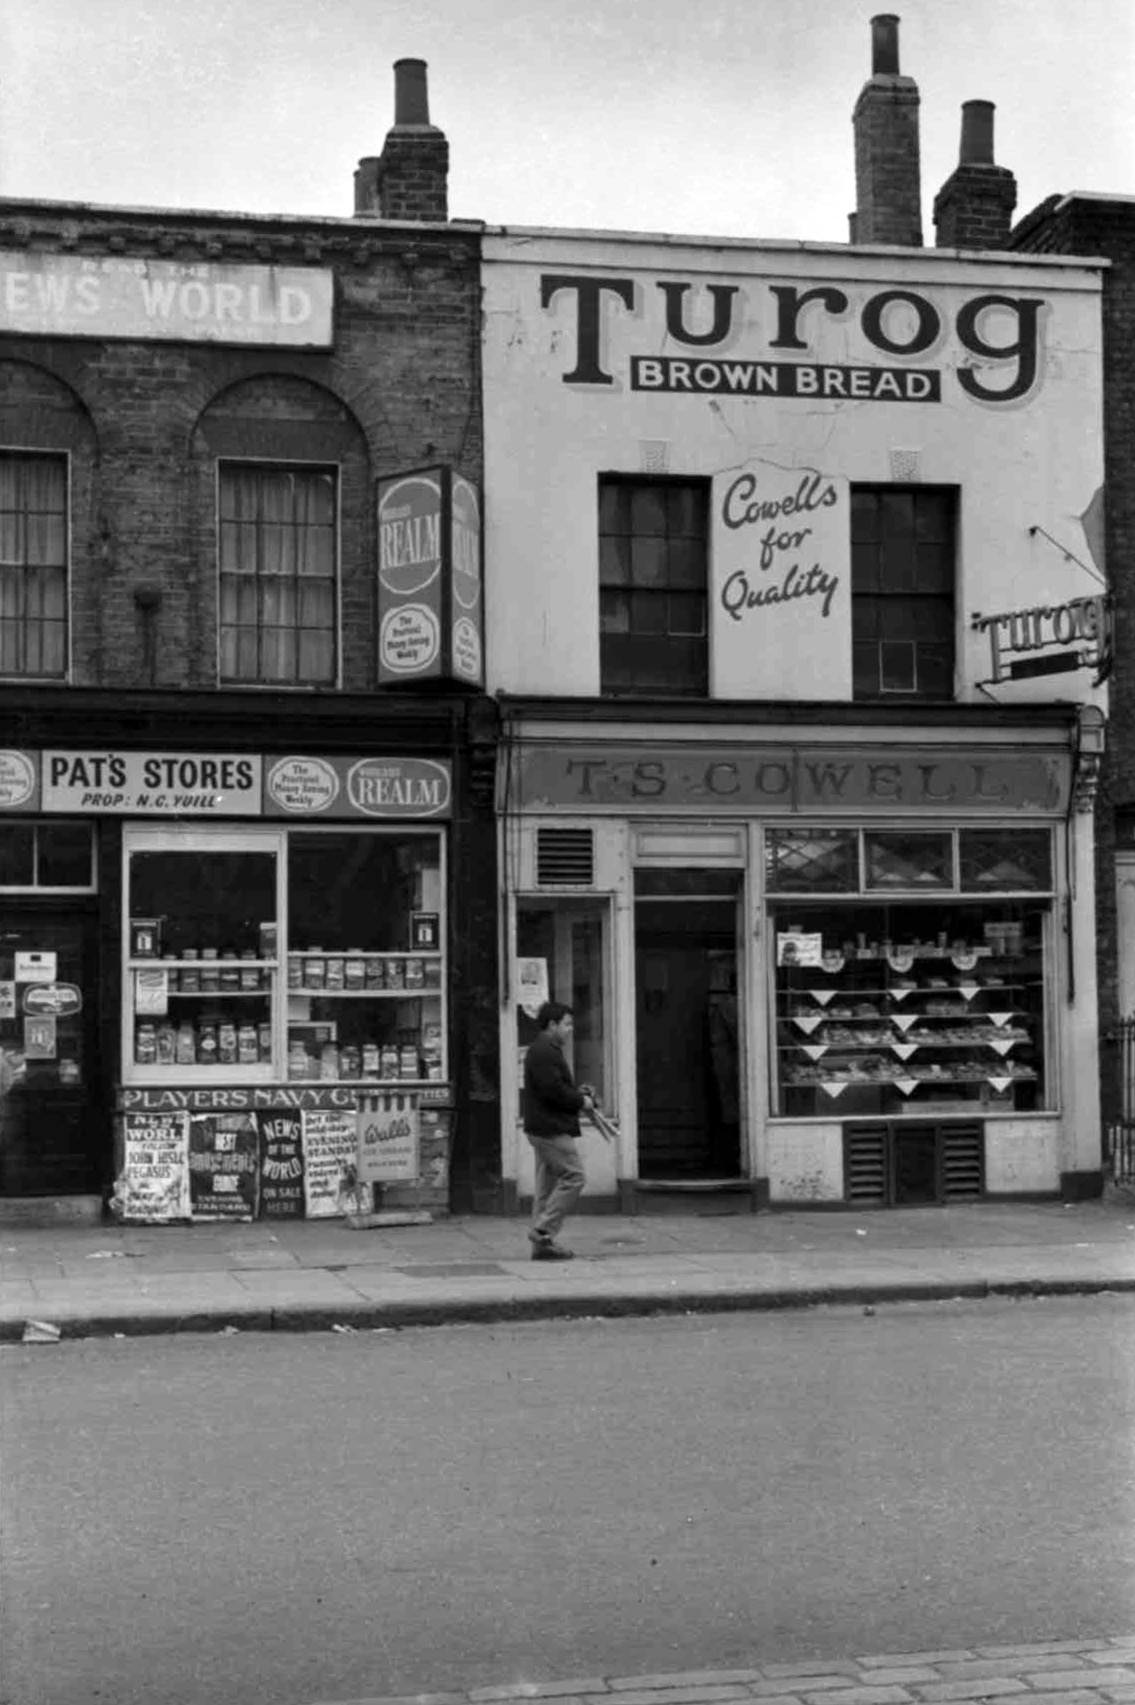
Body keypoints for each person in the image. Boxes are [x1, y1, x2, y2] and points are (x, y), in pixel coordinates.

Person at [522, 1000, 594, 1260]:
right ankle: (543, 1231)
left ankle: (542, 1247)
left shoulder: (543, 1049)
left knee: (545, 1188)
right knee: (574, 1177)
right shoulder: (544, 1051)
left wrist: (576, 1094)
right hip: (551, 1129)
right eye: (566, 1024)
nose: (570, 1029)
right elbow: (553, 1091)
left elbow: (553, 1088)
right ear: (552, 1025)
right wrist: (580, 1101)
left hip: (541, 1127)